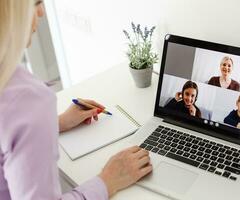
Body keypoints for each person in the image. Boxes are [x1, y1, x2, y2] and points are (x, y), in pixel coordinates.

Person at [0, 1, 152, 199]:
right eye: (36, 2)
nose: (41, 12)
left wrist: (56, 123)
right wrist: (108, 180)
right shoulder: (29, 100)